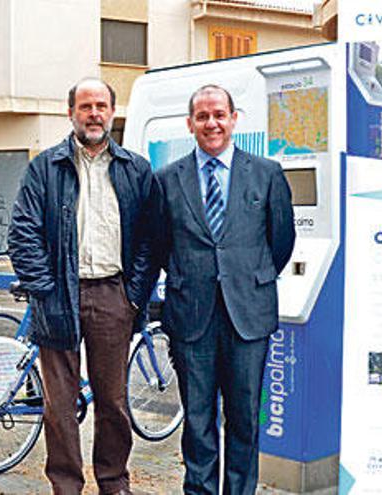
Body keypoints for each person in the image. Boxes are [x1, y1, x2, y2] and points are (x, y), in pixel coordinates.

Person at [8, 78, 155, 495]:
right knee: (59, 407)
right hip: (58, 297)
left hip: (113, 296)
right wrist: (46, 290)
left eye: (101, 106)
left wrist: (134, 295)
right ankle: (66, 486)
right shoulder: (45, 167)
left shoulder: (134, 168)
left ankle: (113, 482)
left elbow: (151, 237)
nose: (94, 113)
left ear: (112, 111)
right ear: (70, 112)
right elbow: (22, 233)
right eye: (86, 106)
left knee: (113, 402)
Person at [148, 84, 295, 494]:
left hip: (248, 315)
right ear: (190, 123)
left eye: (219, 115)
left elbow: (280, 242)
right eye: (202, 116)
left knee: (245, 419)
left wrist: (244, 277)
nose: (211, 123)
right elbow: (160, 245)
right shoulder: (166, 180)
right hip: (191, 317)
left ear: (233, 119)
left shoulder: (266, 174)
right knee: (197, 421)